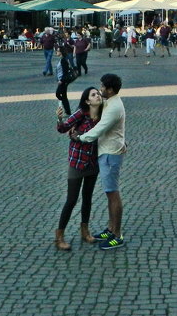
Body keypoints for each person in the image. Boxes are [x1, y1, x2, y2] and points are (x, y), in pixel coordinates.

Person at [75, 73, 127, 250]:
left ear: (110, 90)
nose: (100, 89)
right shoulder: (110, 101)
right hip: (108, 151)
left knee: (113, 193)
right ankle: (111, 228)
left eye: (103, 86)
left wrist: (79, 137)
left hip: (110, 153)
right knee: (109, 193)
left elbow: (99, 129)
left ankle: (117, 235)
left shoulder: (114, 107)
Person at [54, 86, 103, 251]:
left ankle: (85, 231)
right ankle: (59, 235)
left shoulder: (103, 116)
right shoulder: (82, 113)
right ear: (87, 100)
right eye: (94, 94)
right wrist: (60, 119)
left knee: (88, 197)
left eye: (99, 94)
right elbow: (63, 129)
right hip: (77, 161)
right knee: (72, 199)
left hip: (93, 162)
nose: (98, 96)